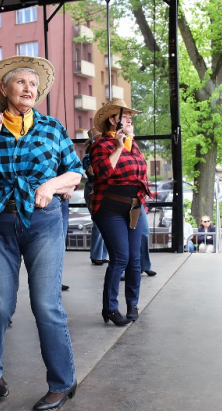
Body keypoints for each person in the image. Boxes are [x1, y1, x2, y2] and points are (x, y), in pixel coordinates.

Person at [0, 56, 83, 411]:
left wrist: (51, 184)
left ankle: (62, 382)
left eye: (34, 84)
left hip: (42, 222)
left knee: (46, 305)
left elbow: (75, 172)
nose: (29, 89)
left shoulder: (51, 128)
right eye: (21, 83)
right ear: (4, 89)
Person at [90, 98, 149, 326]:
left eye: (131, 118)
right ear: (113, 120)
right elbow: (103, 173)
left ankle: (132, 304)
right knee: (120, 258)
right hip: (110, 207)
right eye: (126, 117)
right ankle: (110, 308)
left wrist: (127, 143)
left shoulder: (132, 145)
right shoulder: (101, 144)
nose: (129, 121)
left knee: (135, 259)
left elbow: (141, 173)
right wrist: (117, 147)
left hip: (134, 206)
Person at [82, 128, 109, 265]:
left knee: (104, 223)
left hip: (102, 190)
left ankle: (102, 254)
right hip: (92, 190)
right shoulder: (88, 157)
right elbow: (92, 173)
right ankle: (96, 255)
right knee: (98, 223)